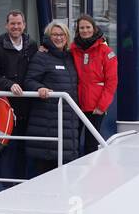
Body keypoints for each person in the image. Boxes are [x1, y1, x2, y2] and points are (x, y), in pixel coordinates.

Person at [0, 9, 38, 184]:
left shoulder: (32, 45)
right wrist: (9, 85)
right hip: (6, 104)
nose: (15, 27)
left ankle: (21, 183)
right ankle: (6, 185)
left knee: (23, 146)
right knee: (7, 146)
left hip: (27, 105)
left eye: (19, 23)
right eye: (12, 24)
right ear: (7, 25)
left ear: (24, 25)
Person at [23, 22, 81, 174]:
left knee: (66, 169)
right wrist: (39, 88)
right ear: (49, 37)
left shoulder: (69, 58)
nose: (59, 38)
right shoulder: (41, 56)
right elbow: (29, 80)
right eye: (55, 35)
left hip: (69, 121)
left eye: (62, 35)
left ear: (67, 37)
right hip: (47, 122)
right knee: (46, 168)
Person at [70, 13, 118, 152]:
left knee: (91, 143)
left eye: (88, 27)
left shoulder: (106, 52)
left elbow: (111, 82)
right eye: (81, 28)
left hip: (96, 106)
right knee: (72, 140)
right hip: (76, 103)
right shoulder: (73, 49)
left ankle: (91, 171)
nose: (85, 30)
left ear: (94, 28)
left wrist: (102, 106)